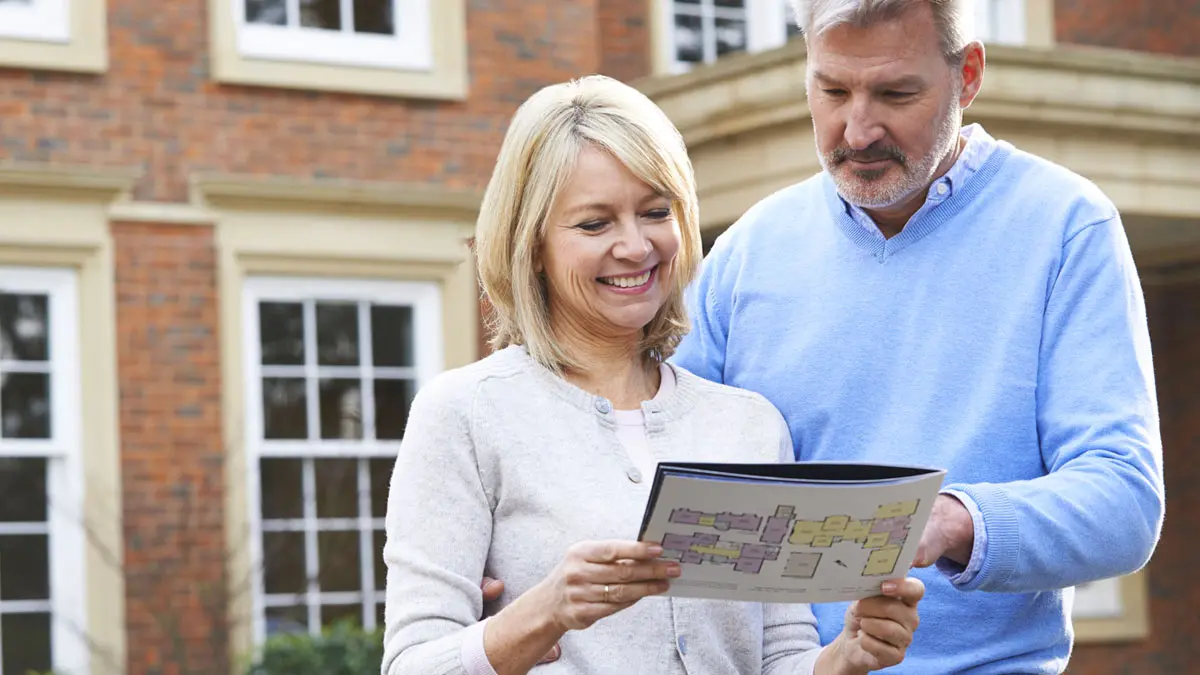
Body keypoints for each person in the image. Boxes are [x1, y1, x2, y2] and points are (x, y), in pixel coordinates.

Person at [671, 0, 1166, 672]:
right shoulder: (748, 250)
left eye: (896, 93)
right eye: (832, 90)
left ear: (968, 76)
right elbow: (663, 471)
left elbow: (1124, 502)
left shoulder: (1065, 227)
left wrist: (949, 519)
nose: (858, 128)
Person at [381, 74, 926, 675]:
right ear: (532, 243)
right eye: (594, 224)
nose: (636, 246)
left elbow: (778, 657)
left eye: (654, 212)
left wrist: (846, 656)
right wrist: (544, 611)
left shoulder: (748, 424)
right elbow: (411, 665)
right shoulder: (465, 414)